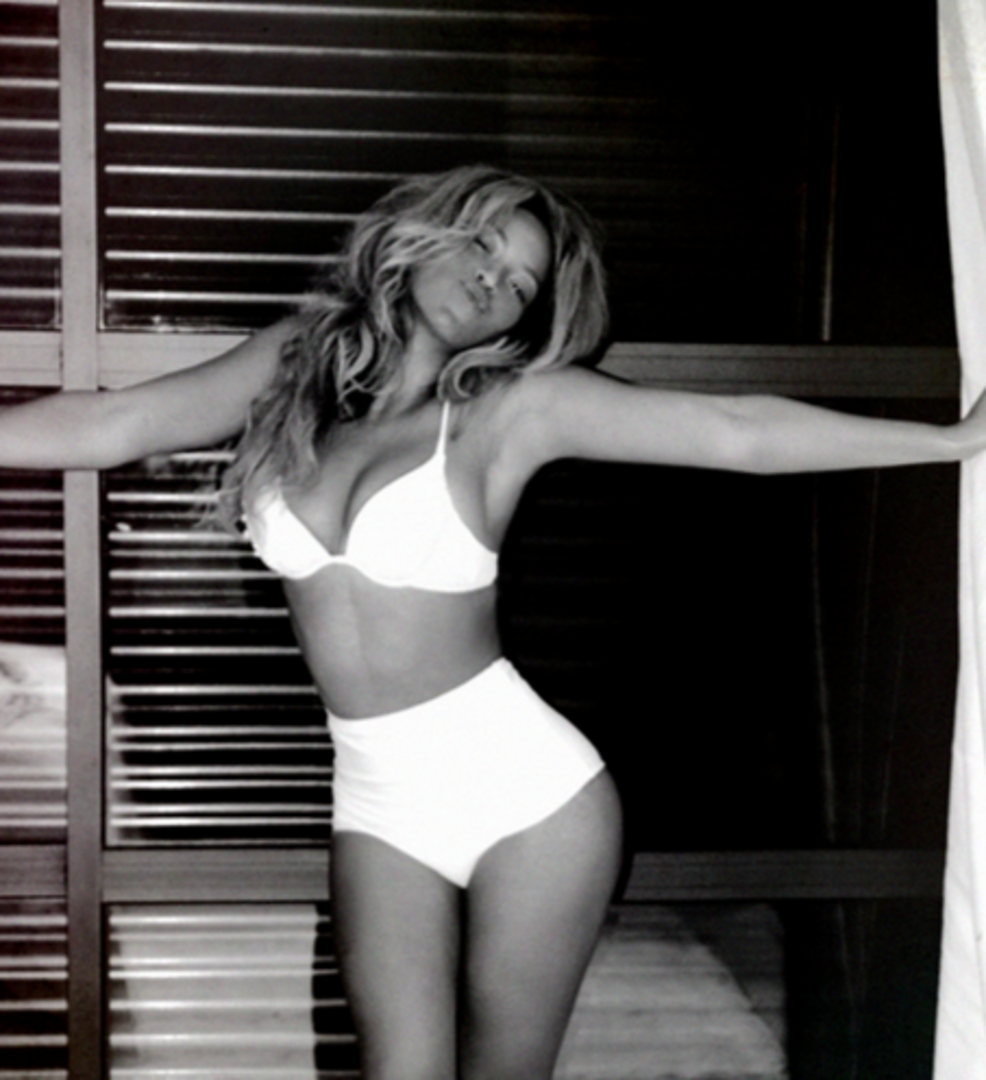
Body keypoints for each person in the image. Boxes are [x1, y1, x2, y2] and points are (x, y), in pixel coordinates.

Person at [2, 164, 985, 1079]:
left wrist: (949, 442)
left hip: (532, 805)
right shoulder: (299, 365)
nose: (492, 283)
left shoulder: (512, 411)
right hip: (376, 802)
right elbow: (117, 422)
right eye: (483, 247)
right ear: (425, 232)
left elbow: (736, 433)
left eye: (519, 284)